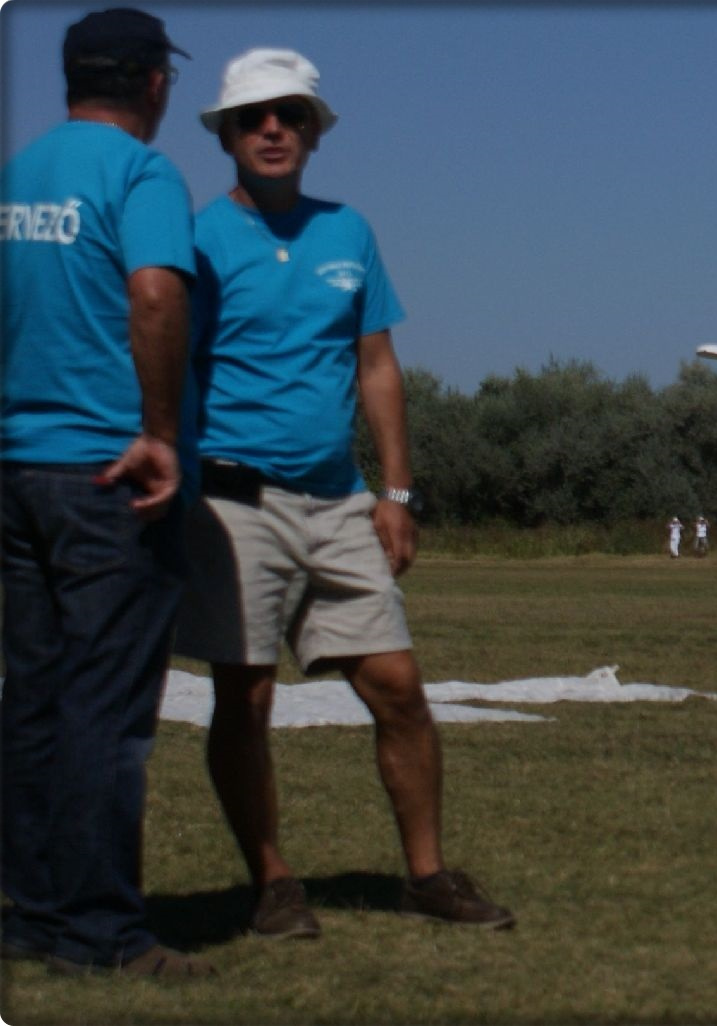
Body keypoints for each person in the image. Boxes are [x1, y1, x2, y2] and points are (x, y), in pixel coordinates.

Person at [174, 47, 513, 939]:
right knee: (244, 698)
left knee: (398, 685)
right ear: (228, 137)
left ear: (316, 131)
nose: (273, 129)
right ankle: (275, 883)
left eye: (290, 114)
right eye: (253, 118)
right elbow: (168, 363)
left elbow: (377, 365)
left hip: (340, 501)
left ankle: (428, 876)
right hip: (234, 501)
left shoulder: (349, 232)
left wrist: (395, 489)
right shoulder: (199, 240)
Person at [0, 8, 213, 978]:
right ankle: (104, 929)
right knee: (107, 708)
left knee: (33, 697)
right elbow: (158, 294)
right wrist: (161, 436)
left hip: (19, 468)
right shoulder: (141, 174)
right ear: (155, 84)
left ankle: (34, 911)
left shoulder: (21, 175)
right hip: (106, 474)